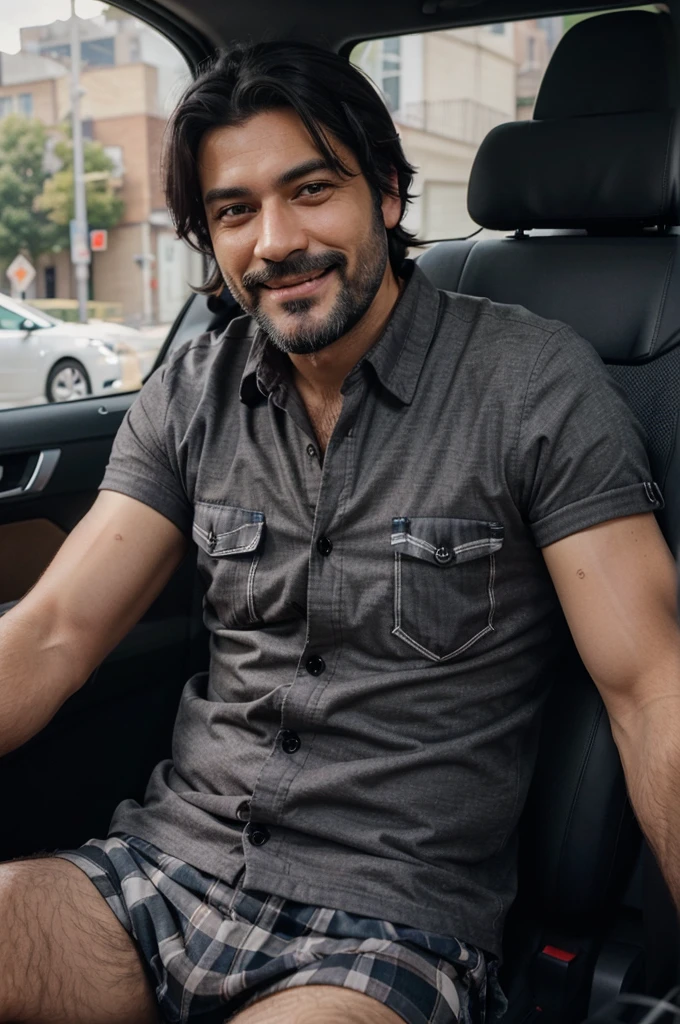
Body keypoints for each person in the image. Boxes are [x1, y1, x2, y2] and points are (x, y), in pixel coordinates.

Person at [1, 41, 679, 1024]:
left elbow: (648, 686)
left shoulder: (531, 385)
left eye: (309, 190)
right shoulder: (193, 392)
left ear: (388, 195)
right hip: (163, 873)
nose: (274, 239)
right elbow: (54, 629)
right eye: (234, 211)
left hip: (386, 927)